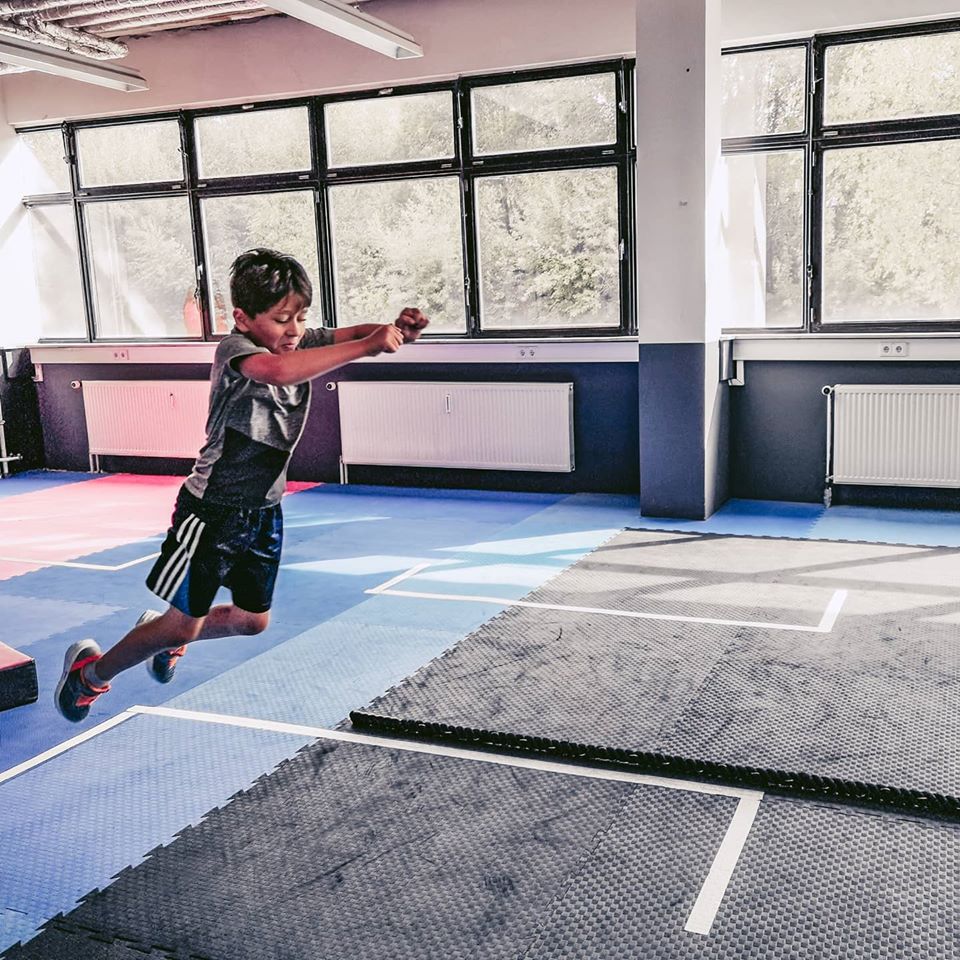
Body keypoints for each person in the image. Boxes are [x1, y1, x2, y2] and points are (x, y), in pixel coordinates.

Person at [55, 248, 428, 722]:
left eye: (301, 318)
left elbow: (351, 333)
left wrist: (394, 330)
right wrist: (367, 346)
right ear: (243, 318)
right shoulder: (236, 350)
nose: (294, 331)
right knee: (183, 626)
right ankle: (89, 674)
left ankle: (162, 632)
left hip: (263, 511)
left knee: (252, 621)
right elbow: (280, 373)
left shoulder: (298, 340)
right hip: (212, 510)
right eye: (281, 320)